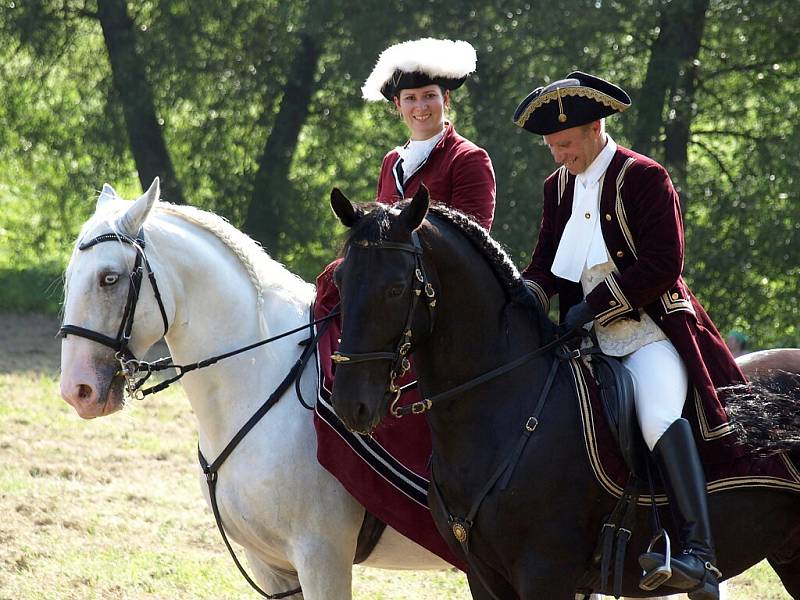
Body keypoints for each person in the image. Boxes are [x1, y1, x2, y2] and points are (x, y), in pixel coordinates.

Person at [513, 72, 746, 600]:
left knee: (658, 414)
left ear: (595, 127)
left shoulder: (644, 176)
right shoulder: (556, 186)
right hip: (581, 341)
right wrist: (524, 293)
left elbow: (666, 264)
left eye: (565, 144)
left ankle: (699, 554)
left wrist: (595, 307)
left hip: (647, 330)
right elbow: (547, 263)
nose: (558, 156)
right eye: (552, 147)